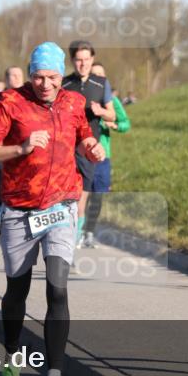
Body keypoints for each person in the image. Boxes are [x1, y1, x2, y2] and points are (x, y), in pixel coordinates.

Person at [0, 42, 105, 376]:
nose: (45, 84)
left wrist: (91, 145)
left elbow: (81, 133)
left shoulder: (73, 101)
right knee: (17, 289)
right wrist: (21, 148)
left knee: (57, 287)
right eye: (38, 77)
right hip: (18, 209)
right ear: (29, 73)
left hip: (62, 205)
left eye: (51, 77)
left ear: (60, 75)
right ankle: (13, 357)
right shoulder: (8, 102)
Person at [62, 40, 115, 247]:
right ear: (72, 60)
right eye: (78, 60)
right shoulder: (64, 85)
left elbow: (112, 115)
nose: (82, 64)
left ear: (92, 60)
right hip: (64, 148)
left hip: (88, 149)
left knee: (81, 195)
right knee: (64, 195)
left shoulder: (101, 84)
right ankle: (61, 233)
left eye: (86, 60)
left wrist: (100, 111)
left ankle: (74, 237)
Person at [81, 63, 130, 248]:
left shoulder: (112, 102)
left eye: (102, 75)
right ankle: (79, 230)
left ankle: (89, 232)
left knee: (98, 196)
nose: (98, 78)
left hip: (104, 155)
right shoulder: (82, 96)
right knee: (82, 195)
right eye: (95, 75)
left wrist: (114, 125)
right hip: (84, 153)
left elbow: (125, 123)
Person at [0, 66, 25, 223]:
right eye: (11, 75)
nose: (15, 78)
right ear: (6, 79)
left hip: (23, 151)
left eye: (18, 75)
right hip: (2, 152)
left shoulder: (31, 99)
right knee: (3, 178)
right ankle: (1, 200)